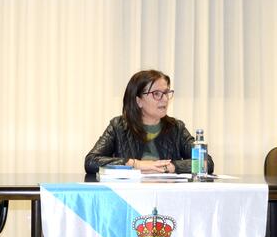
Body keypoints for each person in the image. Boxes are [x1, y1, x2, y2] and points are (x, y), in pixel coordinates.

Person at [85, 69, 213, 175]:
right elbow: (91, 161)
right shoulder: (118, 126)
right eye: (156, 94)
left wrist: (169, 167)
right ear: (138, 101)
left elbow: (206, 162)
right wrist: (136, 164)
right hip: (129, 195)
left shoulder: (176, 128)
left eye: (166, 93)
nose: (164, 99)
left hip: (167, 195)